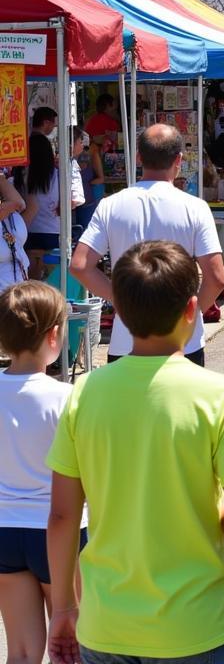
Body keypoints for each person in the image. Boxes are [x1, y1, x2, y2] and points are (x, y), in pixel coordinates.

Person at [46, 240, 224, 664]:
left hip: (105, 628)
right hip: (196, 629)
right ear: (192, 309)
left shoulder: (84, 393)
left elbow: (62, 517)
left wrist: (63, 608)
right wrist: (214, 505)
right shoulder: (221, 397)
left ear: (120, 312)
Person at [70, 125, 224, 366]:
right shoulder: (195, 208)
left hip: (127, 340)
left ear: (139, 157)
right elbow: (216, 278)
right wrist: (190, 318)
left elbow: (80, 265)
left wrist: (121, 299)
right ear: (179, 160)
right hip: (184, 343)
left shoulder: (110, 205)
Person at [0, 281, 82, 664]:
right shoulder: (66, 398)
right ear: (53, 336)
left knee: (20, 651)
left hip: (4, 530)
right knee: (71, 646)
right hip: (58, 531)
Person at [23, 133, 60, 280]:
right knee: (51, 280)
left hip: (27, 230)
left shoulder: (21, 174)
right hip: (51, 231)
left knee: (30, 279)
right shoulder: (57, 174)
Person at [0, 172, 28, 294]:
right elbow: (16, 203)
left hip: (20, 285)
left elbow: (20, 203)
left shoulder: (9, 208)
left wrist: (1, 178)